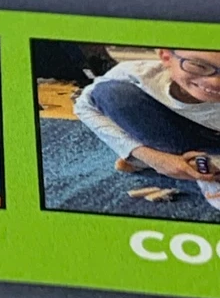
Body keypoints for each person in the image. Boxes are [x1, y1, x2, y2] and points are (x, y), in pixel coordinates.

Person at [75, 49, 220, 209]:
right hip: (177, 130)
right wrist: (152, 157)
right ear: (166, 57)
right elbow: (84, 106)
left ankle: (195, 169)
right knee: (110, 93)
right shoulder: (136, 72)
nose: (215, 82)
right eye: (199, 65)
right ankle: (163, 160)